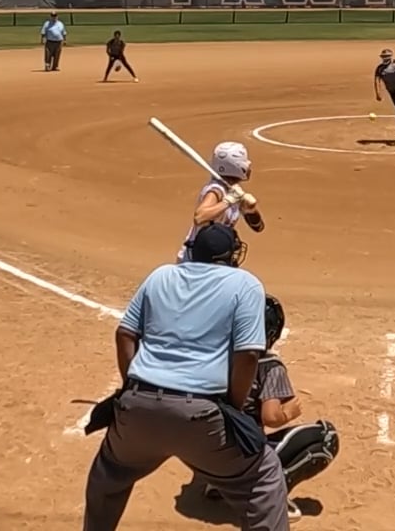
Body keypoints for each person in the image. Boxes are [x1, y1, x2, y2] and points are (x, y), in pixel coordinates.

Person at [81, 222, 290, 531]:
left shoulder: (160, 275)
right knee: (264, 477)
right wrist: (233, 407)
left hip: (138, 410)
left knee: (109, 470)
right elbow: (248, 355)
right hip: (202, 417)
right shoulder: (246, 284)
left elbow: (125, 334)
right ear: (231, 255)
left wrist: (130, 388)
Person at [205, 295, 340, 519]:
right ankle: (272, 496)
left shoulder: (216, 358)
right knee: (327, 437)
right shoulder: (270, 367)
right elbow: (271, 417)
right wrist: (288, 412)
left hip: (207, 456)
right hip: (242, 457)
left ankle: (220, 484)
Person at [182, 141, 265, 263]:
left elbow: (258, 227)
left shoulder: (234, 191)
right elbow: (199, 217)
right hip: (197, 259)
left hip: (216, 256)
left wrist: (251, 210)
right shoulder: (216, 190)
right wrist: (228, 201)